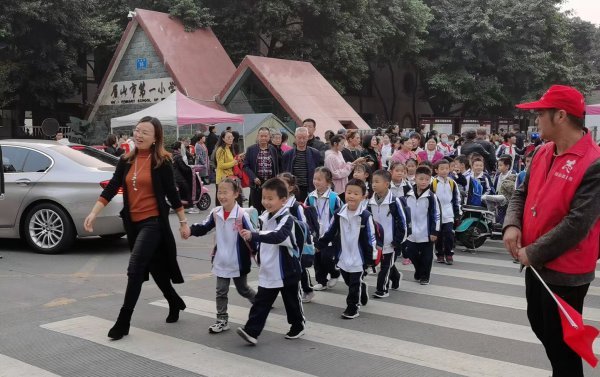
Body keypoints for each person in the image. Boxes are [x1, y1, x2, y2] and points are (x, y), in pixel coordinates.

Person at [504, 85, 600, 377]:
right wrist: (511, 225)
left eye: (540, 114)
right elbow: (521, 192)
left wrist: (531, 252)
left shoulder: (593, 163)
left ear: (560, 116)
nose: (536, 120)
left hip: (566, 272)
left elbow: (577, 224)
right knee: (541, 326)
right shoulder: (543, 151)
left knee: (563, 345)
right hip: (535, 264)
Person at [83, 116, 189, 340]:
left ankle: (124, 321)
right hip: (133, 224)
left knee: (135, 268)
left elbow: (172, 194)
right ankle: (174, 301)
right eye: (137, 130)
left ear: (155, 138)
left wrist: (183, 222)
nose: (139, 135)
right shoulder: (125, 160)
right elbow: (112, 187)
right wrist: (94, 212)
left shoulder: (162, 162)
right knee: (157, 269)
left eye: (145, 132)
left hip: (154, 223)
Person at [237, 178, 305, 345]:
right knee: (261, 302)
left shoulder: (287, 219)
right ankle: (251, 331)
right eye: (263, 198)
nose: (266, 202)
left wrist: (254, 235)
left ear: (283, 200)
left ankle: (298, 325)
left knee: (292, 302)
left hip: (287, 270)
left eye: (270, 198)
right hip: (269, 269)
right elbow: (261, 241)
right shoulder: (264, 217)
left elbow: (278, 236)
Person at [185, 178, 257, 334]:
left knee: (243, 289)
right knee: (221, 291)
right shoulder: (216, 213)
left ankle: (259, 304)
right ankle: (222, 320)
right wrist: (190, 231)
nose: (222, 196)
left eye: (226, 192)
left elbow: (253, 236)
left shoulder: (241, 215)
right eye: (219, 192)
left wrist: (258, 253)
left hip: (238, 261)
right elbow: (204, 227)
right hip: (221, 260)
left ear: (236, 194)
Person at [316, 179, 377, 319]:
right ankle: (361, 290)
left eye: (356, 193)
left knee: (354, 284)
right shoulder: (339, 213)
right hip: (343, 255)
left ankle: (352, 307)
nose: (351, 196)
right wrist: (320, 245)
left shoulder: (365, 216)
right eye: (349, 192)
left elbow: (370, 238)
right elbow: (330, 231)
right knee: (349, 281)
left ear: (363, 196)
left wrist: (370, 260)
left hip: (358, 256)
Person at [368, 170, 408, 297]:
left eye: (377, 182)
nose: (373, 185)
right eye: (372, 182)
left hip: (391, 242)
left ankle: (382, 289)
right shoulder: (370, 202)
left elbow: (403, 223)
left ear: (386, 184)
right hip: (377, 242)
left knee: (385, 266)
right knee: (386, 264)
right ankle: (395, 277)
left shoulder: (394, 202)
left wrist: (397, 241)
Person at [278, 172, 314, 303]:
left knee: (299, 267)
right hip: (282, 240)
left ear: (291, 188)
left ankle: (307, 289)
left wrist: (306, 241)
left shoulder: (295, 206)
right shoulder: (277, 202)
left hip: (297, 241)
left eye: (283, 184)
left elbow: (303, 224)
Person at [305, 167, 343, 291]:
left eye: (319, 179)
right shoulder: (310, 197)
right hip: (316, 234)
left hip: (330, 235)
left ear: (328, 182)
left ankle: (334, 273)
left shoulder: (334, 198)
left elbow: (340, 214)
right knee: (317, 259)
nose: (316, 181)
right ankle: (321, 281)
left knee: (327, 258)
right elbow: (306, 214)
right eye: (314, 178)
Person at [404, 166, 441, 285]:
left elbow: (436, 214)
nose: (424, 182)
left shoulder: (431, 197)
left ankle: (425, 276)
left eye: (426, 179)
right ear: (415, 178)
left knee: (427, 257)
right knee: (411, 253)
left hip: (426, 233)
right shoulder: (408, 194)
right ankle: (419, 270)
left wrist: (434, 232)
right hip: (411, 232)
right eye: (421, 179)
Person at [431, 159, 462, 265]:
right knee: (438, 235)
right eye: (441, 169)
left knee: (449, 233)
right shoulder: (433, 182)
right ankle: (440, 254)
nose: (444, 171)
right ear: (436, 170)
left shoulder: (452, 183)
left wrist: (457, 213)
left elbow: (456, 198)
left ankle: (449, 253)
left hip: (449, 212)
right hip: (437, 213)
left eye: (446, 168)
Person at [282, 127, 323, 203]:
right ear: (295, 138)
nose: (301, 140)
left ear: (307, 138)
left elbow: (320, 171)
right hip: (293, 188)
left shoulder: (315, 153)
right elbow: (284, 172)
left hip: (310, 188)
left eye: (304, 138)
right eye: (299, 138)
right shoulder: (287, 154)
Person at [244, 127, 280, 213]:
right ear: (258, 136)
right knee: (255, 209)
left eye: (265, 136)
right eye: (261, 136)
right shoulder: (251, 149)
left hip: (269, 184)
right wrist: (253, 178)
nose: (263, 138)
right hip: (256, 184)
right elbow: (245, 166)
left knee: (269, 208)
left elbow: (276, 167)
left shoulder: (273, 149)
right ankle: (256, 226)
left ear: (269, 137)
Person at [215, 130, 244, 206]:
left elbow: (231, 162)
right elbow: (220, 165)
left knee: (234, 200)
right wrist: (234, 162)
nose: (231, 139)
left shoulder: (229, 148)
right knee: (225, 202)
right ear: (223, 139)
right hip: (223, 179)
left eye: (231, 137)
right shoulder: (221, 150)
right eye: (228, 137)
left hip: (230, 177)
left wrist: (238, 159)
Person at [172, 141, 197, 213]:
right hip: (179, 178)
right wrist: (191, 168)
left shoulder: (173, 155)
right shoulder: (179, 157)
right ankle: (191, 207)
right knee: (187, 189)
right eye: (181, 147)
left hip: (175, 177)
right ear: (179, 149)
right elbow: (183, 167)